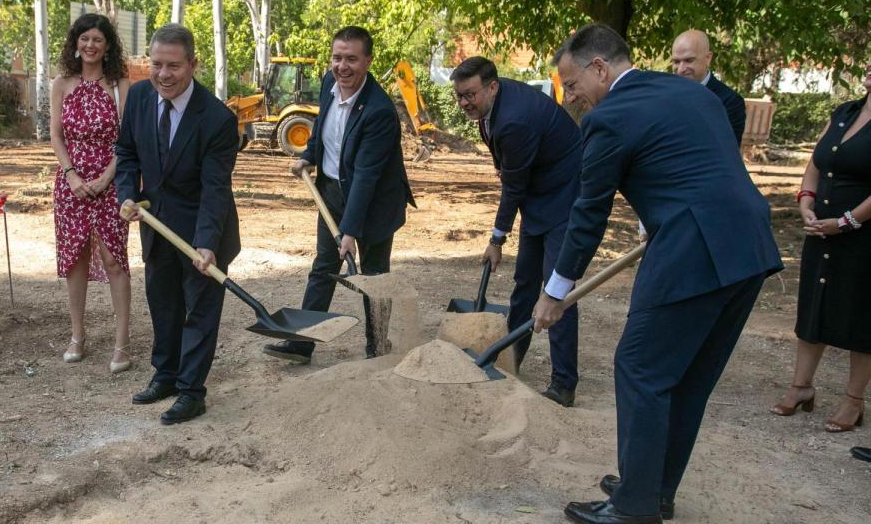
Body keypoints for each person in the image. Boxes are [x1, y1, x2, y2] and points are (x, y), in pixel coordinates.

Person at [533, 23, 782, 524]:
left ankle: (633, 507)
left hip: (693, 249)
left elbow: (589, 214)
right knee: (688, 377)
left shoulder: (609, 119)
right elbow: (686, 164)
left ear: (599, 67)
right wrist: (656, 219)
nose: (572, 97)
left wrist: (554, 291)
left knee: (640, 367)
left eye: (573, 84)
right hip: (750, 246)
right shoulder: (691, 93)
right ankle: (654, 488)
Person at [261, 26, 415, 365]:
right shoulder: (329, 84)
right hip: (331, 191)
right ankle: (302, 343)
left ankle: (377, 346)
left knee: (374, 276)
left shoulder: (378, 111)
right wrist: (308, 156)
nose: (342, 67)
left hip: (375, 202)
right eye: (337, 58)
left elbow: (366, 176)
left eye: (351, 59)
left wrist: (350, 231)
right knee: (323, 267)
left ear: (368, 62)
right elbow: (322, 130)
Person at [115, 24, 240, 425]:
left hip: (203, 229)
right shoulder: (138, 97)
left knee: (200, 311)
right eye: (156, 64)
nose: (163, 74)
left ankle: (191, 391)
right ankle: (166, 375)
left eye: (173, 66)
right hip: (155, 224)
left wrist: (207, 243)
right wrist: (126, 194)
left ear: (193, 64)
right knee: (163, 304)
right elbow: (126, 152)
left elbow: (215, 188)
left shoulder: (217, 119)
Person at [450, 56, 583, 407]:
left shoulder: (514, 120)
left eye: (470, 94)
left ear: (492, 86)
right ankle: (511, 359)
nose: (464, 103)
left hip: (565, 197)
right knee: (525, 280)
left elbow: (513, 186)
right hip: (539, 194)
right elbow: (510, 172)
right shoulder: (493, 106)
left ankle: (563, 383)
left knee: (557, 288)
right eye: (459, 95)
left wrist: (497, 238)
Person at [770, 63, 871, 433]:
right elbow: (816, 162)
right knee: (814, 303)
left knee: (862, 315)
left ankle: (853, 400)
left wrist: (847, 222)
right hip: (822, 229)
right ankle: (801, 386)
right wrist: (806, 202)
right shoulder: (845, 112)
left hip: (862, 235)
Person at [50, 13, 132, 374]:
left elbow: (127, 139)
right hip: (71, 185)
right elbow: (56, 135)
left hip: (110, 183)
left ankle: (122, 342)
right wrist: (71, 175)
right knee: (76, 258)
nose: (90, 45)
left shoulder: (120, 84)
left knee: (114, 259)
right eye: (84, 39)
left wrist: (106, 177)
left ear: (108, 45)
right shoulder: (61, 83)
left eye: (97, 39)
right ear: (75, 43)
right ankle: (77, 336)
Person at [671, 29, 747, 146]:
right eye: (676, 62)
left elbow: (727, 150)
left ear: (708, 58)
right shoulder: (665, 95)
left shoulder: (729, 102)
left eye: (689, 60)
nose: (681, 69)